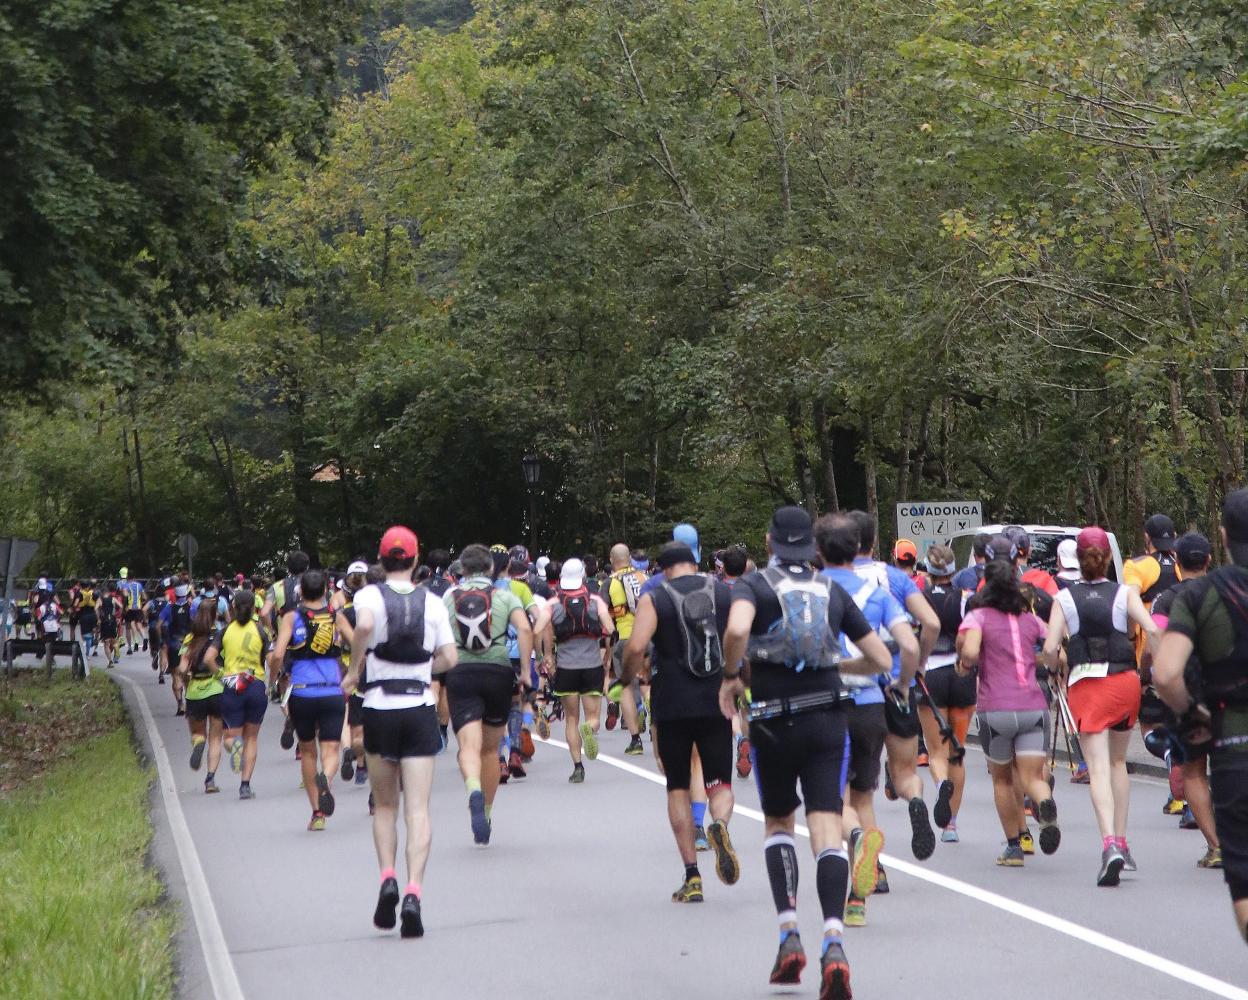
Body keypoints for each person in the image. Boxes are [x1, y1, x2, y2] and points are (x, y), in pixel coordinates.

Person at [720, 506, 893, 999]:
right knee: (826, 828)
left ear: (770, 540)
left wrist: (733, 675)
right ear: (812, 548)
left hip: (774, 720)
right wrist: (839, 669)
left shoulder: (752, 586)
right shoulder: (831, 590)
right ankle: (834, 941)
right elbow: (881, 658)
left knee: (778, 823)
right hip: (827, 719)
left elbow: (736, 632)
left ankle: (789, 932)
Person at [343, 526, 457, 938]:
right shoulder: (433, 602)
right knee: (419, 810)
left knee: (386, 806)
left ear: (382, 559)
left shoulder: (368, 596)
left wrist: (356, 671)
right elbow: (450, 656)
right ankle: (413, 892)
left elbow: (364, 627)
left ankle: (387, 876)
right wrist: (425, 669)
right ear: (413, 558)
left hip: (378, 709)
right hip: (419, 709)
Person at [1154, 488, 1248, 945]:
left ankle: (1214, 844)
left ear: (1225, 537)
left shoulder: (1200, 597)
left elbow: (1166, 673)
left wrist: (1194, 712)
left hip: (1233, 747)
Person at [817, 513, 920, 929]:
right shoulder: (878, 592)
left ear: (819, 552)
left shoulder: (811, 590)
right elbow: (911, 641)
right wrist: (902, 683)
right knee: (863, 797)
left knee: (835, 804)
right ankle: (864, 888)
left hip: (825, 703)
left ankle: (857, 841)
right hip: (871, 703)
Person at [622, 541, 739, 902]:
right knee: (718, 782)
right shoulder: (723, 593)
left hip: (671, 700)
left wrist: (626, 676)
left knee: (677, 786)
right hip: (715, 697)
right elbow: (739, 637)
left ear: (663, 568)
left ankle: (692, 877)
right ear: (694, 563)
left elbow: (637, 646)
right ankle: (719, 824)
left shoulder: (655, 597)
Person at [1044, 525, 1158, 886]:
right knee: (1118, 762)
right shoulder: (1125, 593)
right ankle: (1123, 841)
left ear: (1078, 561)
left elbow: (1049, 648)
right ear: (1108, 559)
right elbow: (1153, 631)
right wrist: (1149, 668)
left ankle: (1109, 843)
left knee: (1097, 768)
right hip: (1125, 683)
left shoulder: (1064, 599)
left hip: (1086, 685)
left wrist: (1055, 666)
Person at [848, 509, 939, 892]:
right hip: (899, 684)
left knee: (856, 790)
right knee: (904, 772)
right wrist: (917, 664)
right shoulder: (896, 577)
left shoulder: (834, 581)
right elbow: (930, 623)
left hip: (857, 688)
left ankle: (875, 867)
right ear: (873, 542)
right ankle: (916, 799)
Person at [959, 559, 1061, 867]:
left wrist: (966, 663)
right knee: (1031, 777)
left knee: (1002, 781)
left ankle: (1015, 847)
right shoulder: (1030, 620)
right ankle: (1044, 804)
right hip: (1033, 706)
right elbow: (1057, 652)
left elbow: (972, 651)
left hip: (996, 709)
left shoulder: (978, 617)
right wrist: (1040, 662)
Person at [442, 544, 534, 844]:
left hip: (460, 672)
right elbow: (524, 629)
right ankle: (489, 812)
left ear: (462, 570)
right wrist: (523, 671)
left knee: (468, 745)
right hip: (497, 672)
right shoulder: (504, 596)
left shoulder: (448, 597)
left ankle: (473, 789)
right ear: (491, 569)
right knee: (491, 750)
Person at [1151, 532, 1221, 867]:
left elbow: (1157, 643)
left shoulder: (1167, 599)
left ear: (1176, 563)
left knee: (1194, 770)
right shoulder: (1229, 592)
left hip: (1187, 694)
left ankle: (1216, 845)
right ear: (1209, 559)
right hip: (1228, 691)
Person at [270, 569, 348, 831]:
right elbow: (358, 640)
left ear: (300, 592)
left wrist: (273, 676)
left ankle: (317, 814)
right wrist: (355, 670)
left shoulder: (291, 617)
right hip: (332, 690)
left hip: (302, 691)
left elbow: (278, 653)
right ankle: (326, 777)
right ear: (326, 591)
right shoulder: (337, 616)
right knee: (331, 749)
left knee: (307, 751)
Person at [1124, 513, 1186, 815]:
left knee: (1150, 726)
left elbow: (1130, 602)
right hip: (1190, 659)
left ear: (1147, 538)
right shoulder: (1183, 565)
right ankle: (1181, 797)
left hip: (1152, 659)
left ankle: (1170, 757)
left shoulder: (1137, 566)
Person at [917, 544, 975, 844]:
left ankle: (940, 785)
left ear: (928, 568)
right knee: (958, 751)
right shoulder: (966, 599)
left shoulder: (920, 599)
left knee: (936, 750)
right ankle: (951, 823)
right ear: (953, 570)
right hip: (961, 675)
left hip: (931, 675)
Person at [544, 557, 614, 783]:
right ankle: (590, 727)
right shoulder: (595, 601)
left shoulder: (553, 603)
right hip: (592, 665)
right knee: (593, 716)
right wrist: (607, 657)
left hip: (566, 667)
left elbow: (537, 628)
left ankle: (577, 767)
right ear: (583, 576)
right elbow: (611, 630)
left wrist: (546, 654)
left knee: (571, 719)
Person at [214, 589, 270, 799]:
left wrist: (221, 674)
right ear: (255, 608)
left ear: (233, 608)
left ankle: (233, 746)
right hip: (255, 683)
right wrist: (270, 681)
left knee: (230, 735)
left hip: (232, 684)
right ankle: (245, 785)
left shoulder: (225, 631)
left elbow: (210, 657)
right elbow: (273, 657)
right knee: (252, 738)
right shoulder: (261, 630)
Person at [606, 541, 650, 756]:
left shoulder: (611, 582)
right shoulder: (644, 577)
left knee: (625, 687)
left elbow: (604, 613)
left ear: (612, 560)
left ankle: (635, 740)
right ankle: (648, 706)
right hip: (649, 637)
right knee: (646, 681)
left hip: (625, 638)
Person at [177, 601, 226, 794]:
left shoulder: (191, 638)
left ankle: (198, 743)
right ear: (216, 615)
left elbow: (182, 668)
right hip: (217, 690)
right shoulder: (221, 635)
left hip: (195, 692)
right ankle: (210, 780)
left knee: (199, 734)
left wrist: (186, 682)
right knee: (215, 738)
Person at [159, 582, 194, 715]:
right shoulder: (192, 607)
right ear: (186, 594)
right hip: (188, 645)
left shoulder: (169, 608)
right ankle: (189, 701)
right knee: (188, 675)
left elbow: (159, 624)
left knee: (176, 675)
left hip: (174, 645)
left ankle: (180, 704)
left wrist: (162, 639)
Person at [118, 568, 146, 653]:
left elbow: (125, 597)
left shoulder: (125, 586)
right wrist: (141, 602)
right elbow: (144, 597)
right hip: (138, 608)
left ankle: (130, 647)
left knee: (128, 627)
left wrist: (124, 607)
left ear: (127, 577)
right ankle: (144, 638)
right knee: (139, 624)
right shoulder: (139, 585)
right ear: (134, 577)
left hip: (129, 608)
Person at [97, 584, 123, 668]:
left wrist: (98, 618)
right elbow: (121, 606)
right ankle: (116, 649)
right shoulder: (113, 599)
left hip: (104, 621)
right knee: (114, 639)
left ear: (102, 592)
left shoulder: (100, 600)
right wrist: (118, 616)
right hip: (113, 620)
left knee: (106, 643)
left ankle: (110, 661)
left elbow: (95, 608)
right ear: (108, 592)